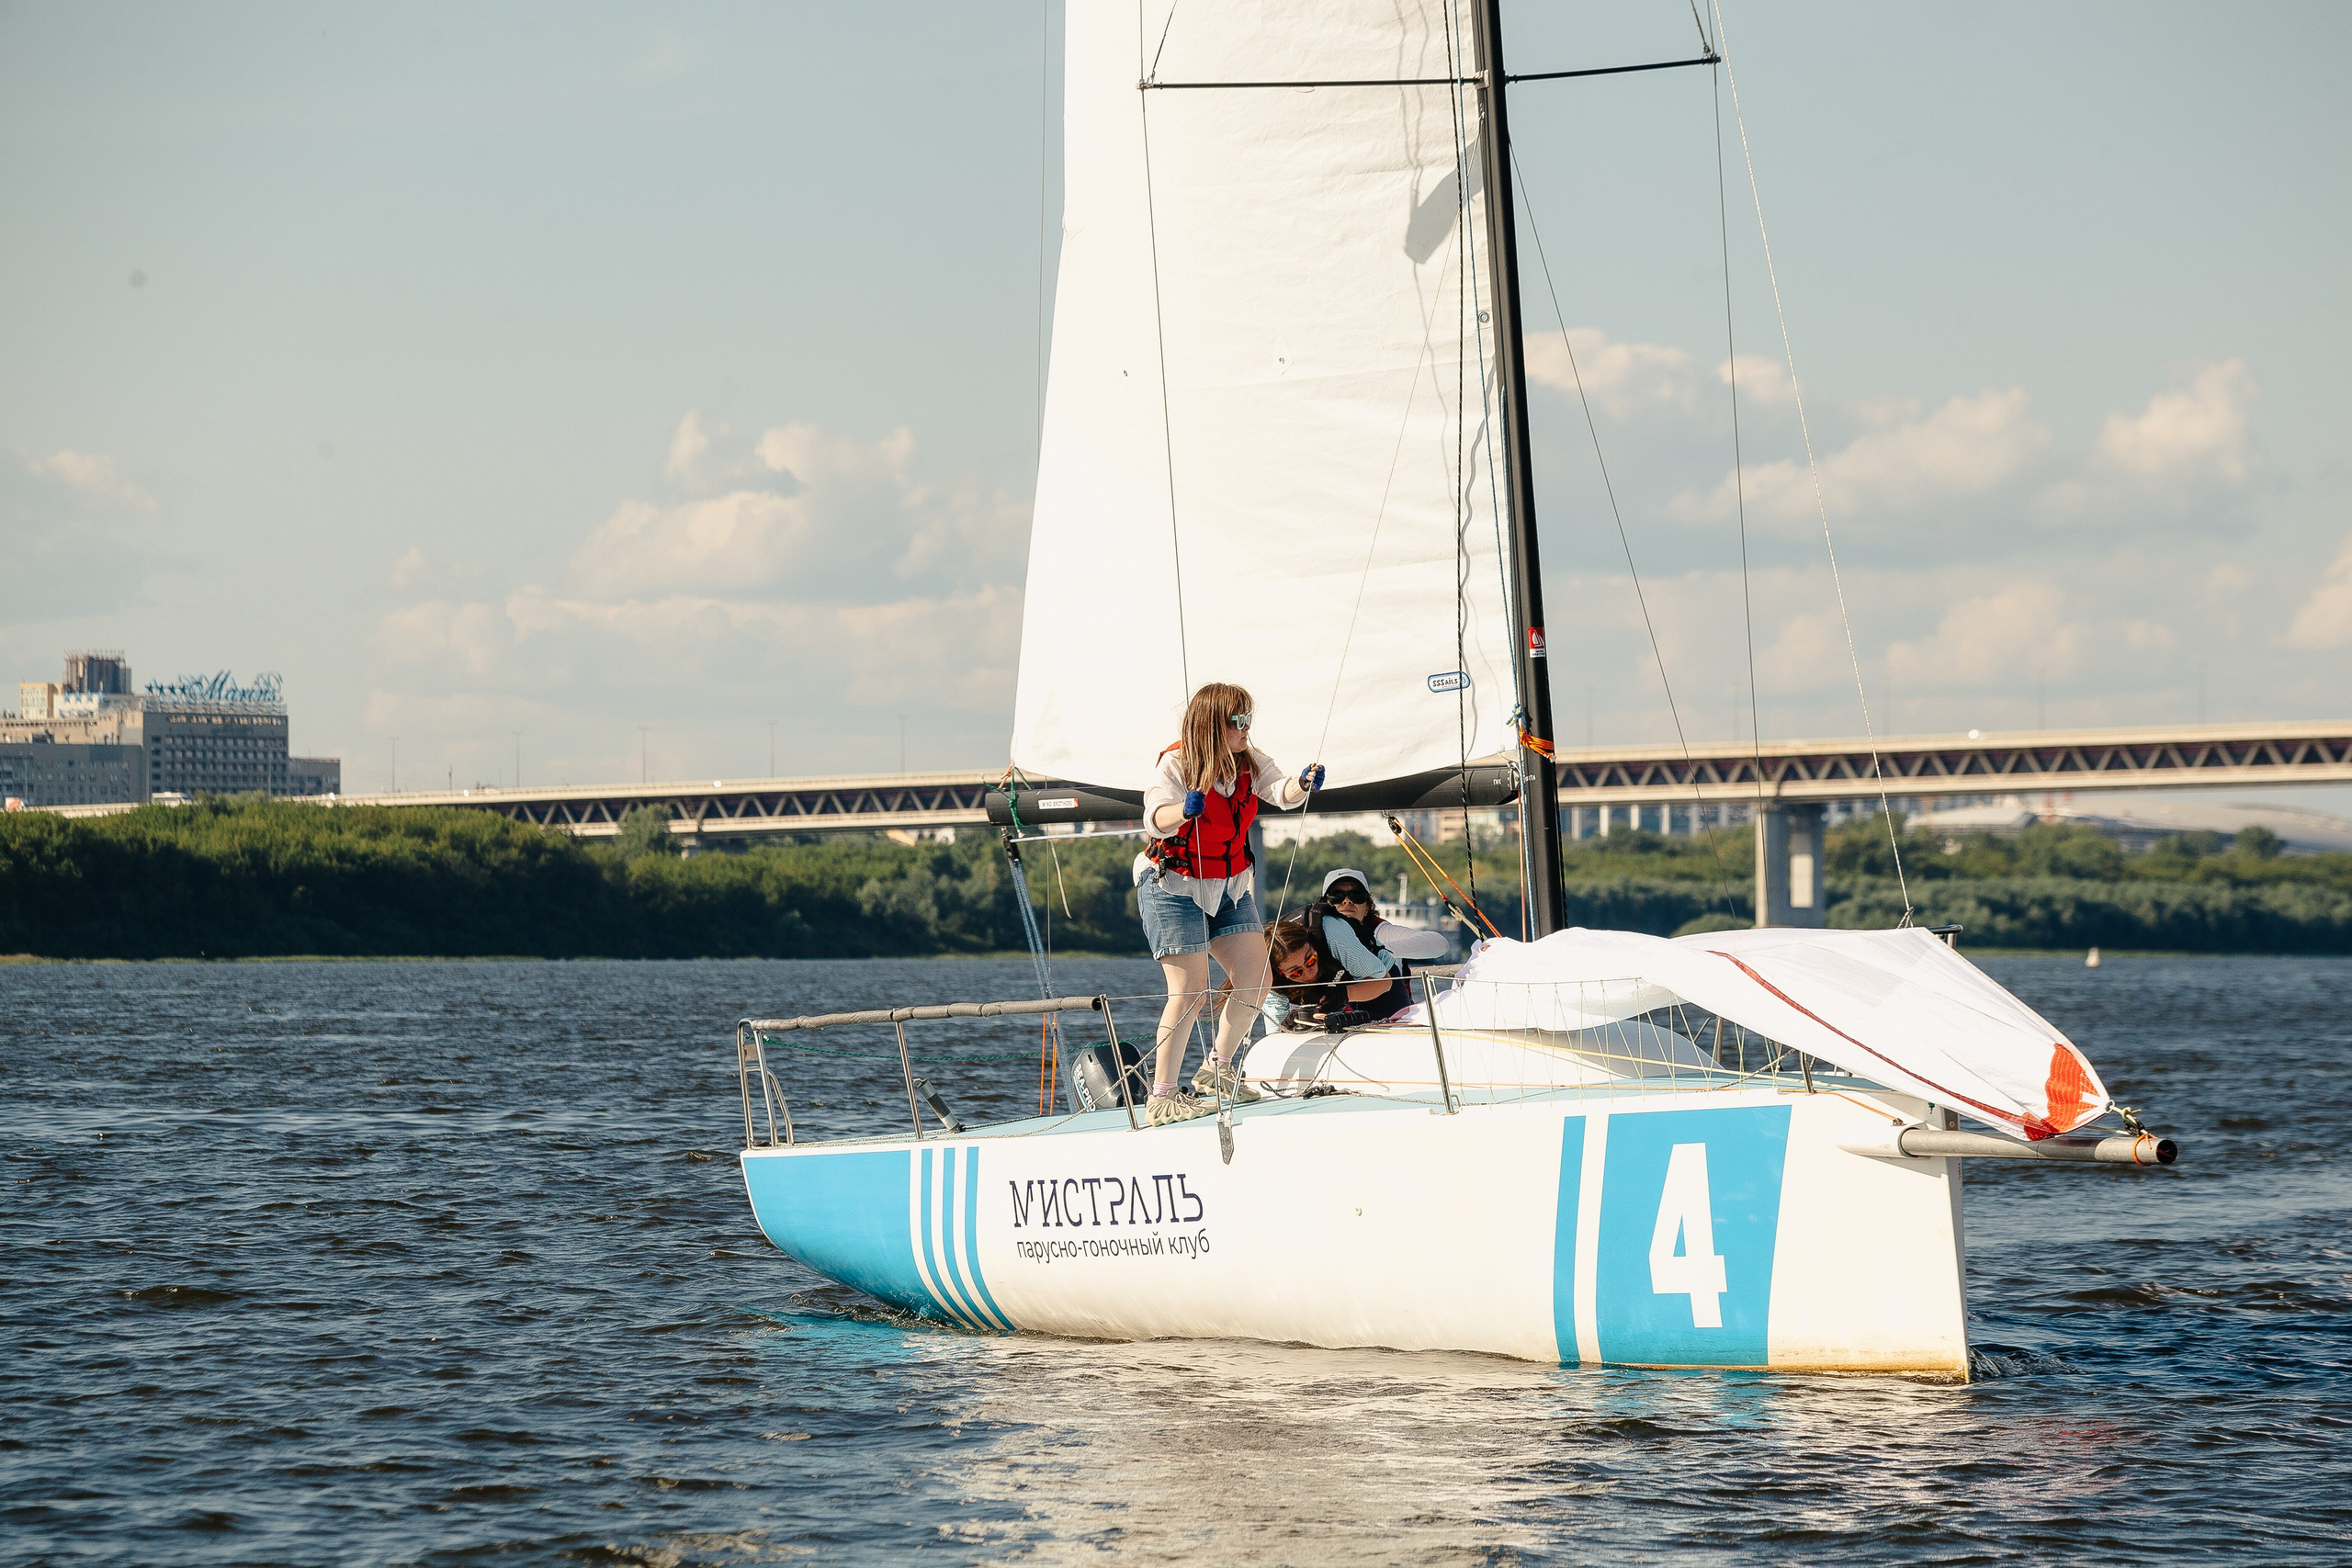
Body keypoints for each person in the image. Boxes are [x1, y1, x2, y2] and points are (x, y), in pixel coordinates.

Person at [1134, 682, 1325, 1125]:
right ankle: (1161, 1096)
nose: (1246, 728)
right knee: (1190, 990)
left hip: (1229, 885)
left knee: (1256, 980)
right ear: (1212, 724)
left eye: (1248, 720)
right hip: (1173, 886)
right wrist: (1183, 809)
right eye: (1237, 721)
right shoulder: (1176, 763)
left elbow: (1279, 791)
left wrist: (1301, 783)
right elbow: (1154, 819)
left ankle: (1216, 1071)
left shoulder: (1250, 761)